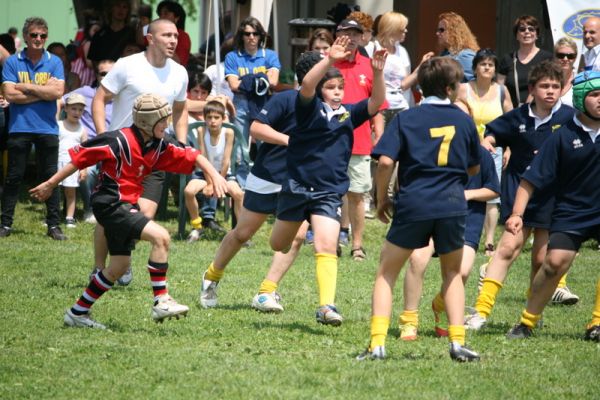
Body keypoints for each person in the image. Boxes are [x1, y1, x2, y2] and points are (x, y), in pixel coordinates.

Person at [30, 93, 227, 329]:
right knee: (162, 237)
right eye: (163, 121)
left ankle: (77, 313)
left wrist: (214, 175)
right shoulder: (117, 140)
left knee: (119, 266)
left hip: (125, 204)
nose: (167, 125)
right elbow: (80, 159)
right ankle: (161, 300)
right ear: (147, 122)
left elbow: (193, 155)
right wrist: (51, 184)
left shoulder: (158, 146)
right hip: (111, 203)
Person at [357, 56, 481, 362]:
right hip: (452, 203)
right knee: (452, 272)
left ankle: (377, 344)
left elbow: (385, 161)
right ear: (451, 88)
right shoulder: (464, 120)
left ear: (421, 87)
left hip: (414, 202)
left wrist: (381, 195)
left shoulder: (406, 118)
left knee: (387, 272)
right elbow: (474, 167)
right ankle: (457, 342)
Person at [268, 37, 387, 326]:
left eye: (340, 88)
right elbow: (307, 85)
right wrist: (330, 60)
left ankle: (326, 306)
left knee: (326, 245)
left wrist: (378, 73)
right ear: (321, 90)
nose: (336, 92)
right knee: (279, 243)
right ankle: (271, 282)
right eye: (330, 87)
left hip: (329, 192)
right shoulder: (307, 107)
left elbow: (374, 102)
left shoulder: (348, 113)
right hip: (297, 187)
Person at [198, 51, 322, 312]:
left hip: (298, 180)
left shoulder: (325, 107)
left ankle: (267, 291)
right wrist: (290, 140)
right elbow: (256, 128)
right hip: (267, 175)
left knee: (297, 236)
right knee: (243, 233)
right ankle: (211, 277)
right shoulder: (286, 99)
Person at [464, 61, 577, 332]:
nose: (550, 91)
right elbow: (490, 133)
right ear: (532, 89)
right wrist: (489, 145)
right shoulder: (517, 118)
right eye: (544, 86)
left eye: (555, 86)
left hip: (554, 198)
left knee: (542, 260)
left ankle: (529, 317)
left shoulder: (570, 118)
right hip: (520, 196)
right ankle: (481, 312)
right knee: (506, 249)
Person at [90, 18, 189, 284]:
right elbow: (100, 99)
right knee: (111, 215)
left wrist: (180, 143)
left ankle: (121, 260)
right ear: (150, 38)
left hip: (155, 155)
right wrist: (104, 138)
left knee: (144, 214)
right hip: (121, 153)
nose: (172, 41)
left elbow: (180, 111)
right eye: (166, 35)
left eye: (175, 36)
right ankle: (100, 268)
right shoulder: (127, 66)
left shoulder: (179, 72)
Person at [504, 71, 600, 341]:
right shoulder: (562, 136)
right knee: (553, 264)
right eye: (594, 94)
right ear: (581, 98)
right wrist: (516, 214)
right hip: (572, 211)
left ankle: (597, 323)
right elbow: (530, 179)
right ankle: (527, 322)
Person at [397, 145, 499, 341]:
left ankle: (440, 306)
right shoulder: (432, 147)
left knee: (462, 272)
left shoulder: (481, 154)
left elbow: (493, 189)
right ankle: (409, 321)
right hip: (430, 213)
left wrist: (468, 194)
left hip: (466, 219)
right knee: (417, 259)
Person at [0, 17, 66, 240]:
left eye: (43, 36)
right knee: (13, 177)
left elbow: (57, 93)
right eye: (34, 35)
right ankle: (6, 224)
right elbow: (9, 94)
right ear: (26, 36)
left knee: (50, 178)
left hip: (48, 129)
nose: (39, 39)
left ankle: (54, 225)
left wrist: (27, 87)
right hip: (19, 127)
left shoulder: (55, 61)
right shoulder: (12, 62)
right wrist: (42, 92)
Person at [334, 18, 387, 261]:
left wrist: (379, 134)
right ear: (338, 35)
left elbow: (378, 107)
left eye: (356, 33)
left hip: (359, 141)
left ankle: (356, 245)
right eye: (346, 33)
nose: (352, 37)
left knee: (356, 194)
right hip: (329, 141)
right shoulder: (327, 62)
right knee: (330, 194)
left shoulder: (369, 65)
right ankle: (331, 240)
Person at [456, 49, 513, 256]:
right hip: (465, 149)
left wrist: (508, 148)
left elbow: (511, 122)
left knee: (492, 196)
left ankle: (489, 242)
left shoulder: (501, 91)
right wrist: (479, 140)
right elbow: (459, 116)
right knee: (464, 190)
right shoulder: (463, 89)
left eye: (491, 64)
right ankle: (461, 234)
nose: (487, 67)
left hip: (494, 151)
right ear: (475, 68)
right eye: (483, 64)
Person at [224, 16, 281, 187]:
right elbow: (234, 85)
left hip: (264, 102)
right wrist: (259, 78)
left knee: (267, 145)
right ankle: (243, 188)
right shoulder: (233, 56)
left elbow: (274, 82)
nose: (251, 37)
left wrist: (247, 80)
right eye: (247, 33)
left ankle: (267, 186)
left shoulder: (269, 55)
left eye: (255, 33)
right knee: (241, 148)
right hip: (241, 103)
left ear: (260, 35)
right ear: (241, 36)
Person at [60, 59, 114, 223]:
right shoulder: (85, 92)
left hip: (114, 148)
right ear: (96, 76)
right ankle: (90, 209)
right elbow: (60, 102)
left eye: (112, 73)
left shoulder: (124, 97)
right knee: (88, 172)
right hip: (89, 147)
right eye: (103, 73)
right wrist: (57, 127)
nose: (107, 77)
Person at [185, 101, 244, 242]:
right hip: (203, 173)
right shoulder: (201, 131)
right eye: (209, 117)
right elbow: (203, 157)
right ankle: (197, 227)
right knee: (188, 191)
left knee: (239, 194)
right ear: (204, 118)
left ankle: (241, 233)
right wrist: (211, 183)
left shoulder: (228, 132)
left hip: (224, 174)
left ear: (223, 118)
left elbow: (226, 160)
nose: (212, 121)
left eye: (216, 117)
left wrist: (219, 182)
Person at [497, 15, 553, 107]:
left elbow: (551, 86)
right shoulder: (507, 59)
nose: (527, 32)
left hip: (539, 111)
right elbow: (499, 89)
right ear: (516, 35)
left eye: (531, 29)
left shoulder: (547, 58)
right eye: (522, 29)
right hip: (512, 113)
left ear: (537, 35)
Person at [58, 93, 88, 227]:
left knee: (71, 192)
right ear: (66, 109)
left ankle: (69, 217)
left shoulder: (82, 130)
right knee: (53, 191)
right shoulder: (59, 125)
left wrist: (84, 168)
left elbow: (85, 152)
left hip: (73, 165)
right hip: (58, 162)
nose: (77, 112)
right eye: (74, 109)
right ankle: (51, 215)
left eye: (80, 110)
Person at [436, 12, 479, 82]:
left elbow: (475, 84)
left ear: (454, 31)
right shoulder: (445, 53)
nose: (437, 33)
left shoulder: (465, 55)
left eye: (441, 30)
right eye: (438, 30)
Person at [156, 0, 190, 66]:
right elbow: (141, 41)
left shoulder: (183, 36)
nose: (161, 17)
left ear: (176, 18)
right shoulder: (156, 32)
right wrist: (143, 25)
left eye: (166, 13)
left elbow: (178, 62)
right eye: (160, 14)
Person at [70, 18, 101, 87]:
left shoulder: (92, 43)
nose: (97, 33)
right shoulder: (89, 43)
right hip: (86, 72)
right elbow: (89, 63)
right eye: (95, 30)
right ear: (89, 31)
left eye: (99, 31)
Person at [554, 38, 578, 108]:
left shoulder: (581, 81)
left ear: (575, 57)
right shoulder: (545, 78)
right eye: (561, 55)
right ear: (555, 56)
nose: (565, 59)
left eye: (570, 56)